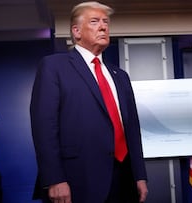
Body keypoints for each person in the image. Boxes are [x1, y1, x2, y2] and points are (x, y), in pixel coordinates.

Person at [30, 1, 148, 203]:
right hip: (77, 179)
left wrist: (140, 175)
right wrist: (54, 179)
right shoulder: (54, 66)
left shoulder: (120, 75)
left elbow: (132, 129)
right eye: (94, 21)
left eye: (106, 22)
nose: (103, 27)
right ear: (76, 32)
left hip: (124, 180)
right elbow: (44, 126)